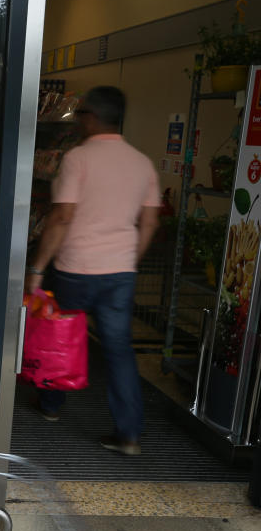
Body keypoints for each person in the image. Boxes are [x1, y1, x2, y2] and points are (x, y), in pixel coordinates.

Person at [24, 86, 161, 456]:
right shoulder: (142, 162)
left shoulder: (78, 158)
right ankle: (128, 434)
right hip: (119, 272)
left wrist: (37, 267)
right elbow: (149, 222)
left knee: (60, 333)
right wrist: (129, 259)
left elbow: (62, 216)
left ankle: (51, 405)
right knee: (119, 350)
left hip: (76, 268)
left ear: (91, 117)